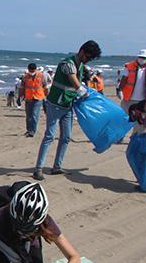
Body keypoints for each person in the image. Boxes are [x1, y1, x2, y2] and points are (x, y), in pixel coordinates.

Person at [34, 40, 101, 180]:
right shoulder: (67, 64)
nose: (88, 60)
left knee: (66, 137)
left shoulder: (81, 65)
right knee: (49, 136)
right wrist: (82, 90)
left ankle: (57, 167)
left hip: (68, 105)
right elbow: (74, 81)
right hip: (55, 104)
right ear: (82, 51)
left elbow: (80, 82)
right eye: (88, 57)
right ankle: (38, 168)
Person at [20, 63, 48, 138]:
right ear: (28, 69)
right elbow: (22, 87)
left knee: (34, 115)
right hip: (28, 98)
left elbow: (45, 86)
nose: (31, 71)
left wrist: (46, 96)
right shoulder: (25, 77)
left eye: (33, 70)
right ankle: (28, 130)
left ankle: (32, 131)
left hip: (38, 98)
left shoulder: (41, 76)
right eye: (30, 70)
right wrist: (20, 97)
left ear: (35, 69)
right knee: (28, 115)